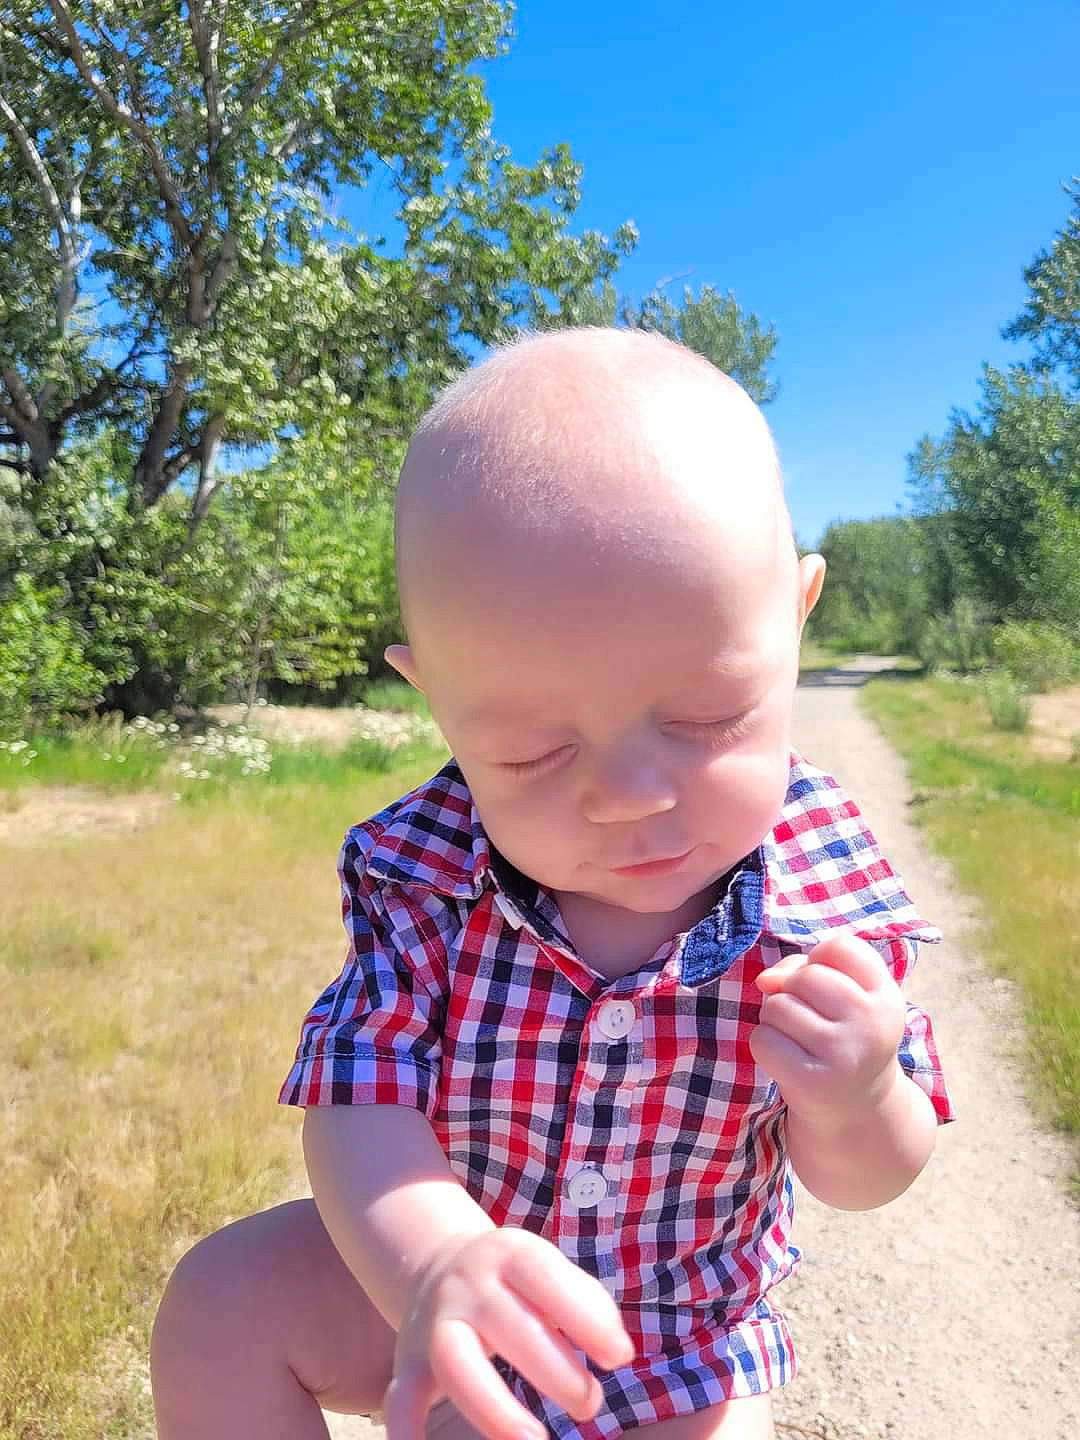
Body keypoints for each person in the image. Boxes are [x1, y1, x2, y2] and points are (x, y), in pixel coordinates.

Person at [150, 327, 954, 1440]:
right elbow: (357, 1092)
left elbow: (869, 1178)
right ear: (434, 696)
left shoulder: (826, 892)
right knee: (224, 1300)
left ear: (797, 619)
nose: (628, 795)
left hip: (674, 1340)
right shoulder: (425, 870)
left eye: (707, 718)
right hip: (436, 1268)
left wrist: (859, 1097)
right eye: (531, 751)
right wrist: (436, 1261)